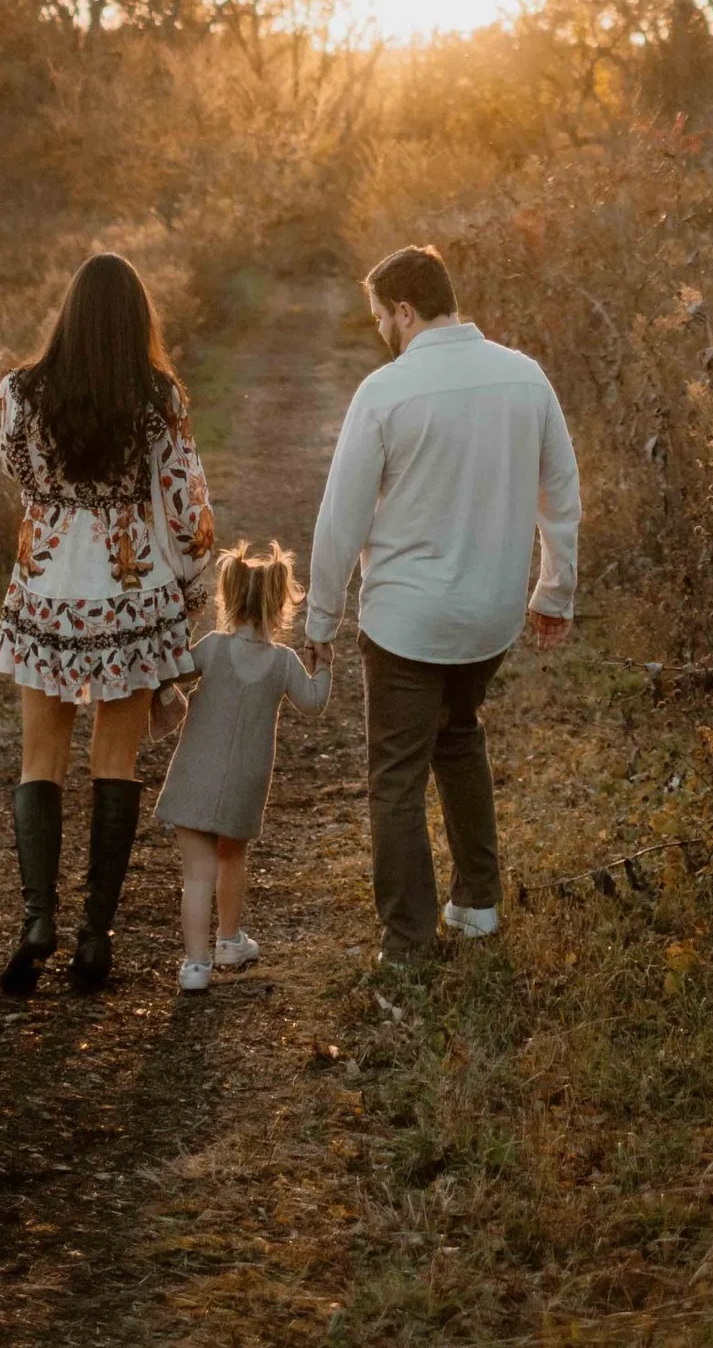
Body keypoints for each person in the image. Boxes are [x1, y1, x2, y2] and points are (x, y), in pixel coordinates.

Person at [305, 242, 581, 968]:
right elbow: (562, 494)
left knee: (395, 774)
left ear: (404, 309)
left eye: (379, 318)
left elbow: (342, 517)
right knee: (458, 737)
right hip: (491, 616)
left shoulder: (386, 391)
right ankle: (479, 904)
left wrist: (321, 618)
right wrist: (553, 591)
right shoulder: (526, 378)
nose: (379, 333)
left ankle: (408, 942)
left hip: (407, 620)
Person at [0, 248, 217, 997]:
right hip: (131, 588)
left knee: (38, 759)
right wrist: (192, 591)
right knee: (115, 761)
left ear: (70, 314)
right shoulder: (157, 398)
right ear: (136, 321)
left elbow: (16, 474)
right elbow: (185, 509)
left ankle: (37, 921)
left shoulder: (21, 393)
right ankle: (95, 938)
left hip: (47, 586)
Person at [152, 536, 332, 985]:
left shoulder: (212, 647)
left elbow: (168, 671)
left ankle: (195, 965)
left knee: (197, 873)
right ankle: (230, 940)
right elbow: (314, 702)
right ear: (278, 604)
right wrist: (325, 663)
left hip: (196, 776)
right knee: (232, 858)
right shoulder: (285, 662)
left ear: (228, 596)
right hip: (245, 783)